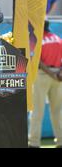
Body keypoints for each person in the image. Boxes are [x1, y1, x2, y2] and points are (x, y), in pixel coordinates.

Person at [28, 20, 62, 148]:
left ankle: (34, 143)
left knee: (37, 111)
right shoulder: (58, 38)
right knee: (58, 111)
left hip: (42, 75)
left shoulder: (37, 40)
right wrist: (58, 73)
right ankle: (60, 141)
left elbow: (38, 62)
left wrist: (52, 74)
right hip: (58, 76)